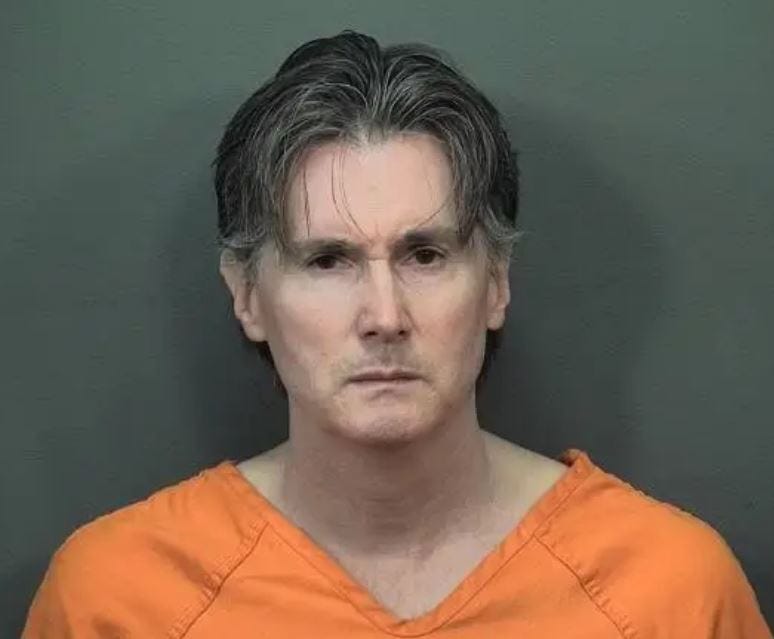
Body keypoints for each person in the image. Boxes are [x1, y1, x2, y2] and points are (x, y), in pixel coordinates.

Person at [23, 30, 771, 638]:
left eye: (425, 255)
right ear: (247, 295)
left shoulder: (670, 592)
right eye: (327, 260)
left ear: (496, 283)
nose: (385, 315)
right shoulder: (116, 599)